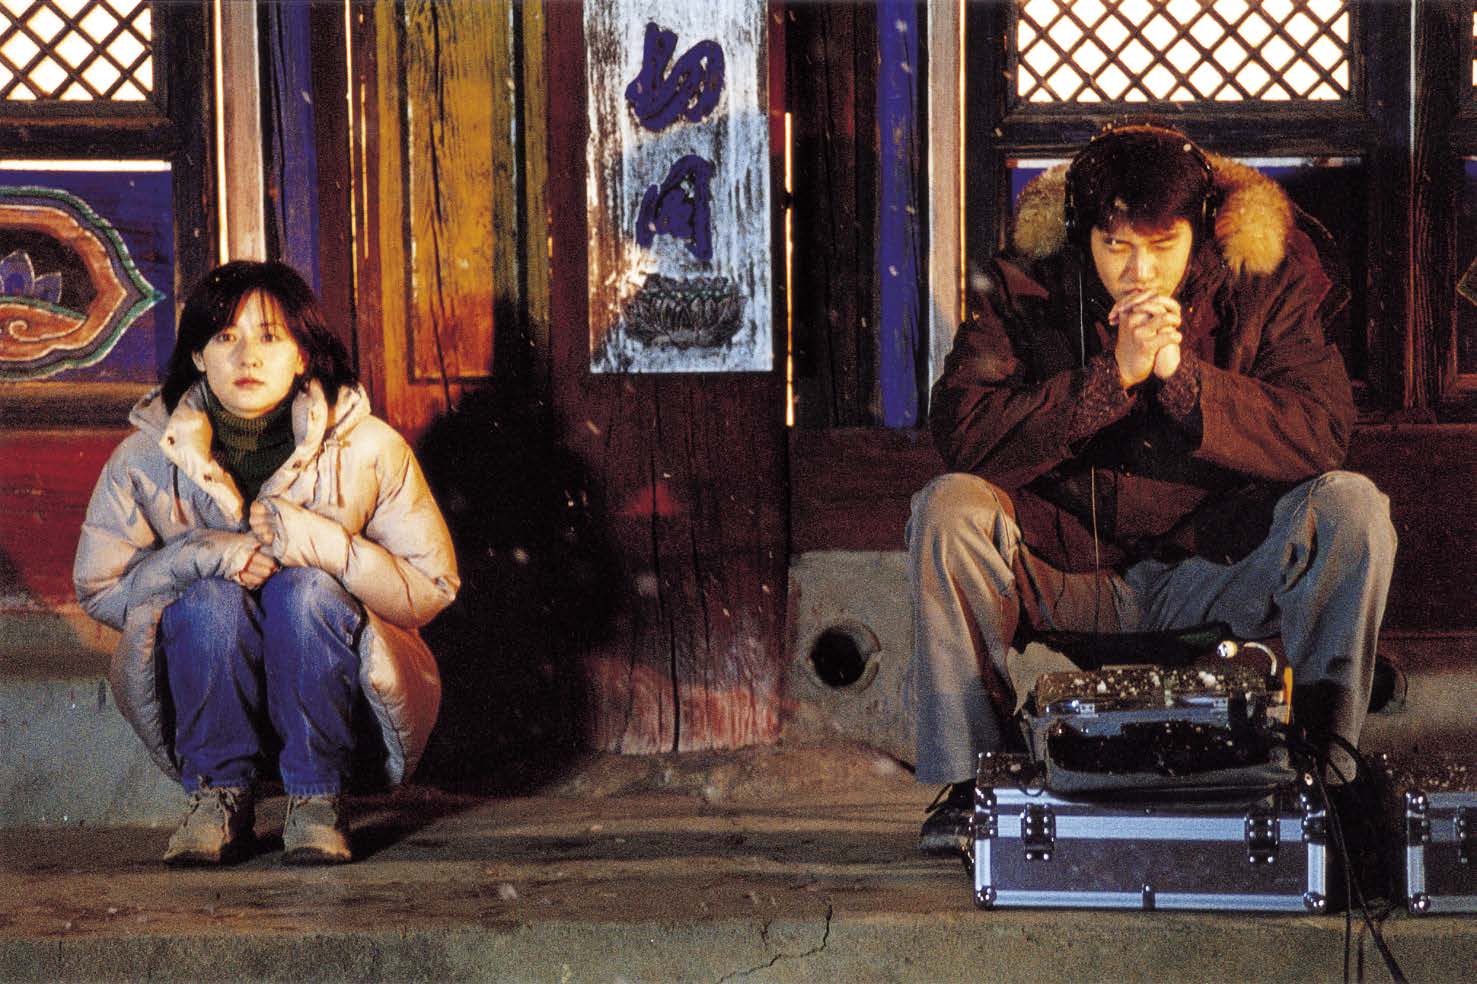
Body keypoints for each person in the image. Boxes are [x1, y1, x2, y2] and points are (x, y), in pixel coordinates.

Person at [909, 123, 1397, 856]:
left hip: (1217, 566)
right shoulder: (1027, 283)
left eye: (1162, 246)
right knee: (947, 508)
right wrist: (1110, 380)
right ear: (1083, 236)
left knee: (1352, 507)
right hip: (1070, 568)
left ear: (1197, 235)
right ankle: (980, 779)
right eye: (1115, 247)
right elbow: (965, 433)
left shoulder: (1262, 279)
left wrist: (1182, 378)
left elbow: (1320, 432)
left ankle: (1325, 767)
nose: (1139, 272)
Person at [74, 260, 460, 866]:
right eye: (225, 336)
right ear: (198, 356)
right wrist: (202, 557)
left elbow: (432, 585)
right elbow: (101, 587)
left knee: (303, 592)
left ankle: (317, 798)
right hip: (206, 694)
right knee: (209, 600)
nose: (247, 356)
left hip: (342, 702)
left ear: (303, 355)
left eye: (270, 337)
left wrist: (322, 545)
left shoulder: (369, 448)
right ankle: (217, 796)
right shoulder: (145, 458)